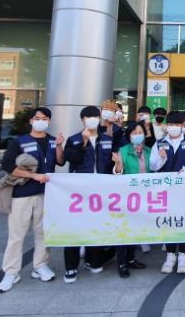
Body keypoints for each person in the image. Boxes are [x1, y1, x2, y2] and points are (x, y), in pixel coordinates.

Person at [0, 107, 64, 293]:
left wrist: (59, 146)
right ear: (31, 121)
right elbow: (8, 165)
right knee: (17, 235)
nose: (41, 121)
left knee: (43, 232)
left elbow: (60, 162)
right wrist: (33, 176)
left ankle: (40, 265)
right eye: (38, 118)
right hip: (22, 194)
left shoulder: (53, 141)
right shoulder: (19, 142)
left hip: (46, 194)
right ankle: (11, 272)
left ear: (49, 121)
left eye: (45, 118)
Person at [62, 106, 117, 284]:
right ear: (82, 120)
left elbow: (111, 163)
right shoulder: (74, 139)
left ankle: (93, 260)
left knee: (97, 226)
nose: (92, 119)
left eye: (95, 116)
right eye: (88, 117)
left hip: (101, 191)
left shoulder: (107, 139)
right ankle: (71, 267)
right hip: (79, 192)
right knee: (75, 227)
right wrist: (84, 143)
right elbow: (71, 159)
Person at [150, 111, 185, 274]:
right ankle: (170, 255)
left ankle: (183, 255)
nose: (174, 127)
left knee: (184, 221)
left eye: (177, 124)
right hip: (166, 191)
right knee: (169, 221)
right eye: (171, 124)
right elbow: (153, 166)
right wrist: (161, 158)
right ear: (167, 125)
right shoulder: (159, 143)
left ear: (182, 126)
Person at [111, 121, 149, 278]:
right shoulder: (123, 151)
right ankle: (122, 263)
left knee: (136, 229)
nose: (138, 135)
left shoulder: (148, 151)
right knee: (124, 230)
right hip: (127, 196)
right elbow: (117, 174)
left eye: (140, 132)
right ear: (129, 135)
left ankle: (131, 258)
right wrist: (118, 163)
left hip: (144, 196)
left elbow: (154, 170)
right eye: (134, 133)